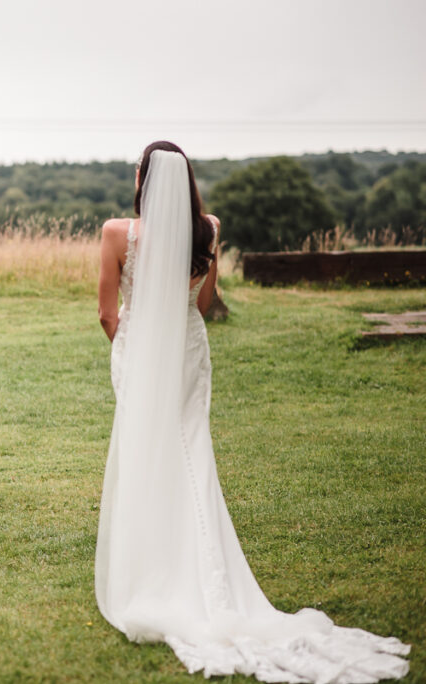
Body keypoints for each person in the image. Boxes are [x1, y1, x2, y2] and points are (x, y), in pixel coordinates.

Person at [94, 141, 409, 681]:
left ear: (143, 178)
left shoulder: (116, 232)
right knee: (191, 446)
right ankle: (197, 559)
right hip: (189, 349)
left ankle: (152, 560)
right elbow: (203, 303)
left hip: (138, 350)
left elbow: (105, 312)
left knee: (145, 446)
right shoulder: (208, 228)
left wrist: (136, 349)